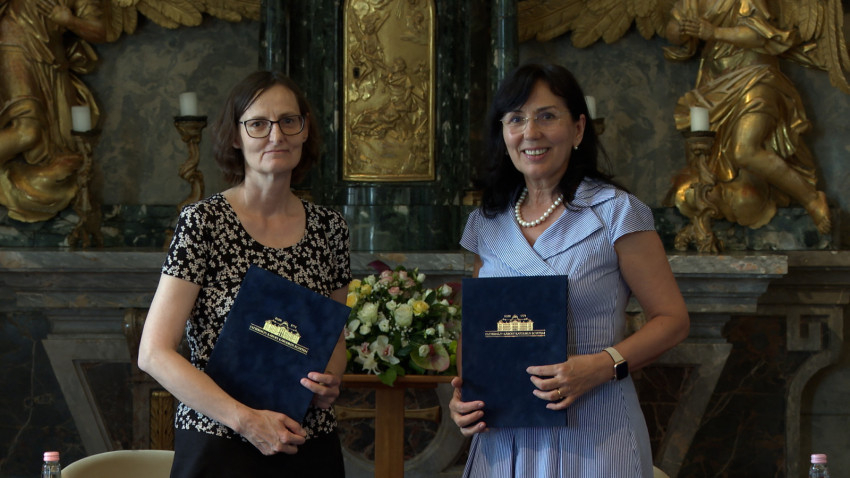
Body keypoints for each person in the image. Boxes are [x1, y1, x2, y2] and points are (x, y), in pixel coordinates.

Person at [449, 63, 690, 477]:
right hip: (504, 435)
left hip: (596, 425)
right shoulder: (486, 224)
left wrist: (601, 366)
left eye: (547, 116)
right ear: (503, 133)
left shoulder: (616, 211)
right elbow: (477, 331)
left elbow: (673, 321)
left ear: (578, 128)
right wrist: (466, 396)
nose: (531, 132)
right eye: (516, 119)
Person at [138, 71, 349, 477]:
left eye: (289, 121)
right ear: (236, 136)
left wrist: (330, 380)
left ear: (305, 130)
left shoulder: (331, 228)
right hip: (220, 441)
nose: (276, 135)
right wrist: (248, 421)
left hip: (306, 439)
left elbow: (335, 339)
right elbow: (153, 353)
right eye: (258, 124)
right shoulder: (203, 222)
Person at [663, 0, 831, 237]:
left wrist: (714, 32)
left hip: (755, 78)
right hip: (715, 86)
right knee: (703, 169)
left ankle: (811, 198)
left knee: (744, 151)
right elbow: (673, 28)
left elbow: (759, 35)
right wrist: (679, 30)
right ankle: (726, 199)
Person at [0, 0, 106, 222]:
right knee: (27, 132)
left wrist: (70, 21)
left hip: (55, 64)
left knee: (68, 150)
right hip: (14, 48)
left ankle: (34, 180)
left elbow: (101, 30)